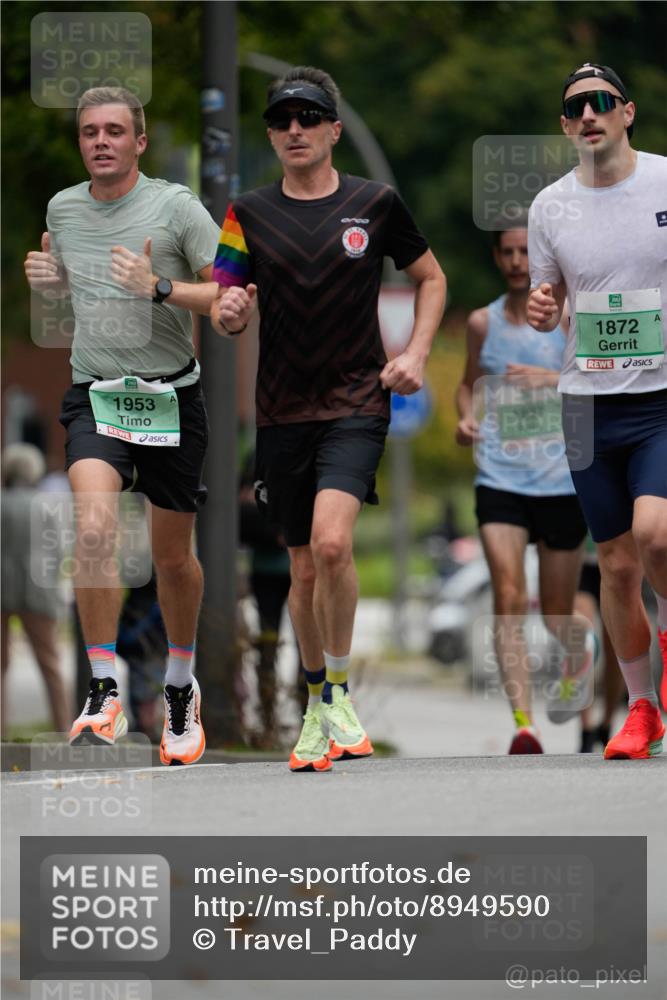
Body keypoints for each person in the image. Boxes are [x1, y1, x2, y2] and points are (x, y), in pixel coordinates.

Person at [210, 66, 446, 772]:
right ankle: (317, 703)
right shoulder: (244, 213)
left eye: (307, 117)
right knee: (304, 567)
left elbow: (431, 278)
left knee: (333, 545)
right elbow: (223, 295)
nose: (293, 130)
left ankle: (335, 689)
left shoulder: (374, 204)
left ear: (333, 129)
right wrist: (227, 311)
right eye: (280, 119)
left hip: (355, 401)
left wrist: (417, 353)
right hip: (281, 412)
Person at [24, 87, 220, 765]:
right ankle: (103, 685)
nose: (100, 141)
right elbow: (68, 294)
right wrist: (49, 280)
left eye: (114, 130)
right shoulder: (63, 208)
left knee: (171, 559)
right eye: (88, 132)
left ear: (139, 141)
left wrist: (158, 287)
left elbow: (229, 294)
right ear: (80, 143)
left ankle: (178, 683)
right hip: (97, 394)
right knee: (95, 526)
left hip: (171, 397)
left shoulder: (176, 209)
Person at [527, 63, 667, 760]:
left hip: (661, 397)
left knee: (656, 535)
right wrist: (541, 306)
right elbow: (546, 303)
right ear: (564, 126)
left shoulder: (664, 182)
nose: (588, 114)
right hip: (585, 404)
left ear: (626, 112)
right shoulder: (549, 206)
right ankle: (641, 707)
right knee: (613, 567)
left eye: (600, 102)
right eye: (575, 107)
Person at [455, 218, 591, 755]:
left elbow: (605, 379)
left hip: (561, 482)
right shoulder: (481, 324)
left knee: (557, 611)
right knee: (509, 596)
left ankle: (581, 649)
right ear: (497, 258)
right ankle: (524, 725)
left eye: (523, 253)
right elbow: (467, 387)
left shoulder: (567, 320)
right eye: (507, 252)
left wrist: (550, 380)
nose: (515, 261)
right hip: (501, 479)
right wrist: (465, 419)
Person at [1, 444, 71, 736]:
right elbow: (61, 550)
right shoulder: (46, 504)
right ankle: (64, 728)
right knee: (50, 664)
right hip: (38, 591)